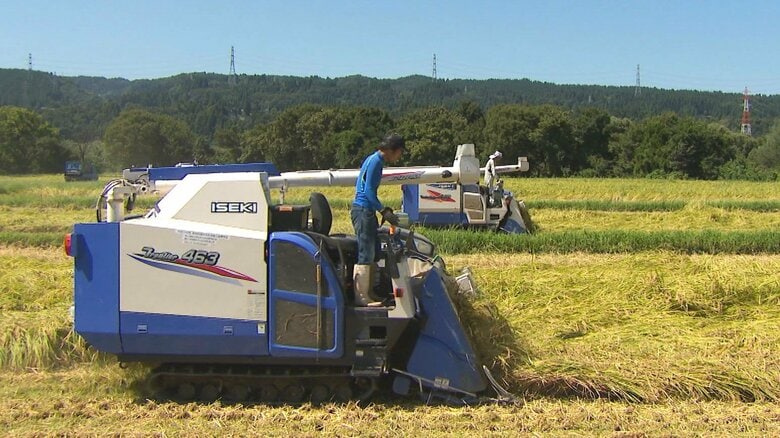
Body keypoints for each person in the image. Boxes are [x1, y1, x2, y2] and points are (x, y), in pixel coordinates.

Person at [350, 133, 405, 306]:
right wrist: (383, 210)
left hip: (366, 210)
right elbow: (368, 192)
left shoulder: (374, 159)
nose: (399, 156)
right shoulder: (375, 163)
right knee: (365, 253)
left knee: (372, 251)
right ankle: (361, 297)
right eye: (399, 152)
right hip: (363, 210)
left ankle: (370, 292)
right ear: (392, 150)